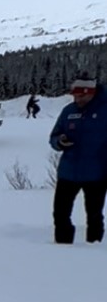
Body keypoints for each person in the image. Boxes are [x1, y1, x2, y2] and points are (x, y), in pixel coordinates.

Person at [49, 74, 107, 244]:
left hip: (97, 173)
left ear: (91, 93)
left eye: (81, 95)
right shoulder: (68, 111)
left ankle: (92, 247)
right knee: (60, 213)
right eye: (74, 95)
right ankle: (62, 246)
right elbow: (54, 136)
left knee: (94, 215)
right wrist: (59, 142)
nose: (77, 98)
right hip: (68, 172)